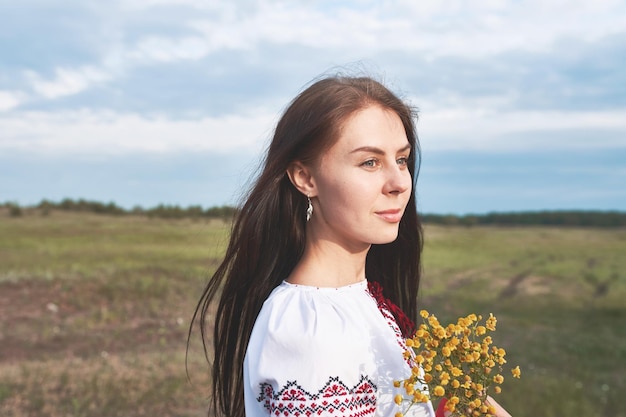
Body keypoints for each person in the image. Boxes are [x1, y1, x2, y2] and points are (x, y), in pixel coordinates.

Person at [192, 75, 512, 417]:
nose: (399, 183)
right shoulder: (311, 332)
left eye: (401, 160)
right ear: (305, 178)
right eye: (370, 162)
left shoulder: (360, 301)